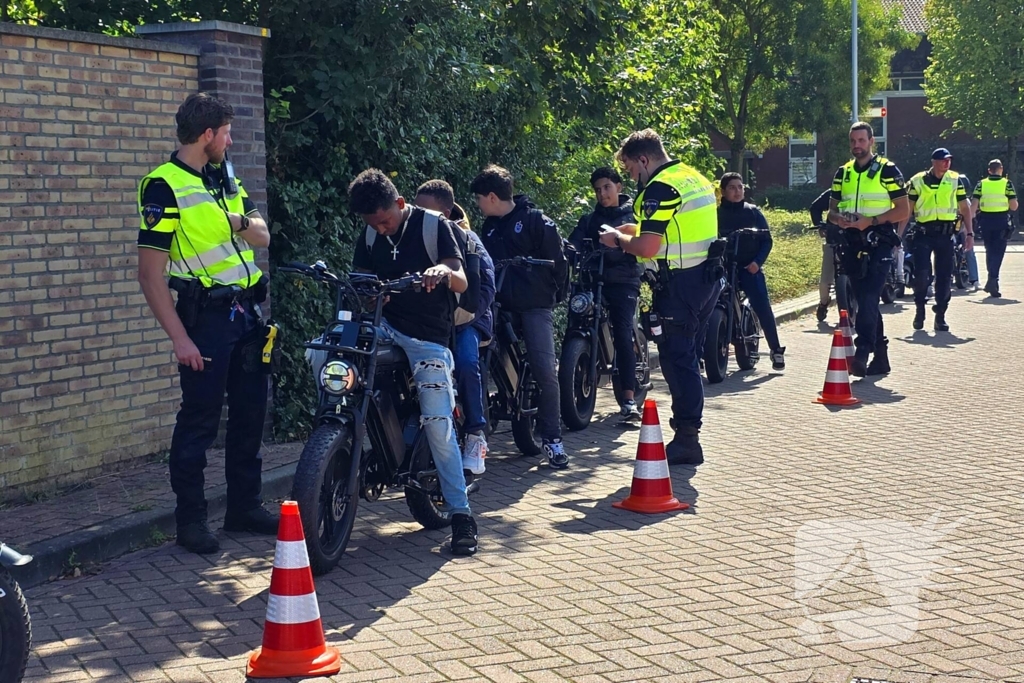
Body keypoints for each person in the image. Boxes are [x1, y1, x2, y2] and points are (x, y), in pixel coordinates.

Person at [136, 93, 277, 555]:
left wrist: (236, 219)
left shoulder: (225, 179)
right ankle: (191, 521)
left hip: (247, 316)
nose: (231, 140)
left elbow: (262, 235)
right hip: (206, 320)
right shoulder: (163, 186)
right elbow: (150, 274)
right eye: (226, 133)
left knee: (249, 414)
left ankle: (244, 506)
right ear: (207, 135)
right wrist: (180, 339)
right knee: (198, 422)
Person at [349, 169, 479, 556]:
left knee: (438, 425)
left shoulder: (434, 225)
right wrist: (371, 297)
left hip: (427, 337)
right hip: (384, 329)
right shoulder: (372, 233)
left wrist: (443, 271)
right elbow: (362, 281)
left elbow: (462, 280)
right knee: (325, 353)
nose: (383, 230)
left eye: (386, 221)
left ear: (401, 205)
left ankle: (461, 516)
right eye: (374, 224)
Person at [598, 129, 720, 466]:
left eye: (631, 171)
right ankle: (687, 433)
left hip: (679, 285)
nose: (632, 178)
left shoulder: (659, 189)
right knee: (688, 357)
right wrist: (629, 231)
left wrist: (618, 242)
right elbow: (673, 230)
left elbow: (649, 247)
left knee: (678, 360)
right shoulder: (691, 177)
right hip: (704, 279)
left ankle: (687, 439)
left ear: (643, 159)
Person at [473, 165, 570, 469]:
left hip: (532, 306)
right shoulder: (488, 227)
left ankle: (553, 439)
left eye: (479, 198)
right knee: (473, 357)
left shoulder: (535, 221)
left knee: (544, 369)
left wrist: (550, 295)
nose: (477, 203)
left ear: (492, 196)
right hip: (497, 303)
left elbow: (559, 264)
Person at [414, 179, 496, 475]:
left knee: (464, 361)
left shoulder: (469, 240)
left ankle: (476, 434)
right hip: (431, 322)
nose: (419, 215)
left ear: (446, 213)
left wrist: (463, 319)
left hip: (467, 321)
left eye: (427, 211)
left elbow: (485, 288)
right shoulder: (415, 237)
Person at [826, 122, 910, 376]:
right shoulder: (843, 173)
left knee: (869, 297)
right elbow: (831, 210)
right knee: (865, 301)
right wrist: (838, 219)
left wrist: (870, 221)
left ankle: (862, 350)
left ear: (872, 141)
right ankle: (881, 359)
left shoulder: (887, 170)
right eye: (853, 141)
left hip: (880, 240)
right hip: (852, 243)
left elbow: (903, 210)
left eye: (861, 141)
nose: (856, 146)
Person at [568, 167, 644, 419]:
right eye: (598, 190)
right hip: (593, 280)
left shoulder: (633, 216)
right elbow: (573, 245)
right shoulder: (589, 221)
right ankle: (568, 388)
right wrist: (564, 252)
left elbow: (644, 242)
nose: (602, 193)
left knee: (622, 330)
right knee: (575, 319)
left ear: (619, 187)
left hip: (623, 281)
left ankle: (629, 399)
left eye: (607, 187)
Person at [717, 173, 785, 370]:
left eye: (740, 187)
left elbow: (767, 240)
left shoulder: (753, 212)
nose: (737, 191)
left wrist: (757, 262)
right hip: (724, 268)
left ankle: (775, 350)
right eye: (732, 188)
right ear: (723, 191)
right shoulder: (715, 215)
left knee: (761, 302)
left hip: (749, 267)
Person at [906, 148, 973, 332]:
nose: (947, 163)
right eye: (943, 160)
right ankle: (920, 309)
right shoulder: (917, 181)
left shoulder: (954, 180)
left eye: (949, 160)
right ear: (934, 161)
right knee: (921, 275)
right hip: (923, 234)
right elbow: (907, 208)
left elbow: (965, 208)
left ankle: (940, 315)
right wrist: (898, 234)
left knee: (944, 277)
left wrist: (969, 233)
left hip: (945, 235)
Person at [973, 159, 1018, 297]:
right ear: (1001, 169)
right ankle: (993, 280)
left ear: (989, 170)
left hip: (985, 221)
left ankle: (992, 280)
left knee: (990, 250)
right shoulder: (1007, 184)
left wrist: (971, 220)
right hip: (1001, 221)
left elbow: (974, 205)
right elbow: (1014, 206)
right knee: (998, 252)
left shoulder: (981, 184)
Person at [810, 189, 836, 321]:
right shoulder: (833, 193)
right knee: (825, 280)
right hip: (833, 239)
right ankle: (824, 302)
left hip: (858, 242)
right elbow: (815, 208)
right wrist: (820, 225)